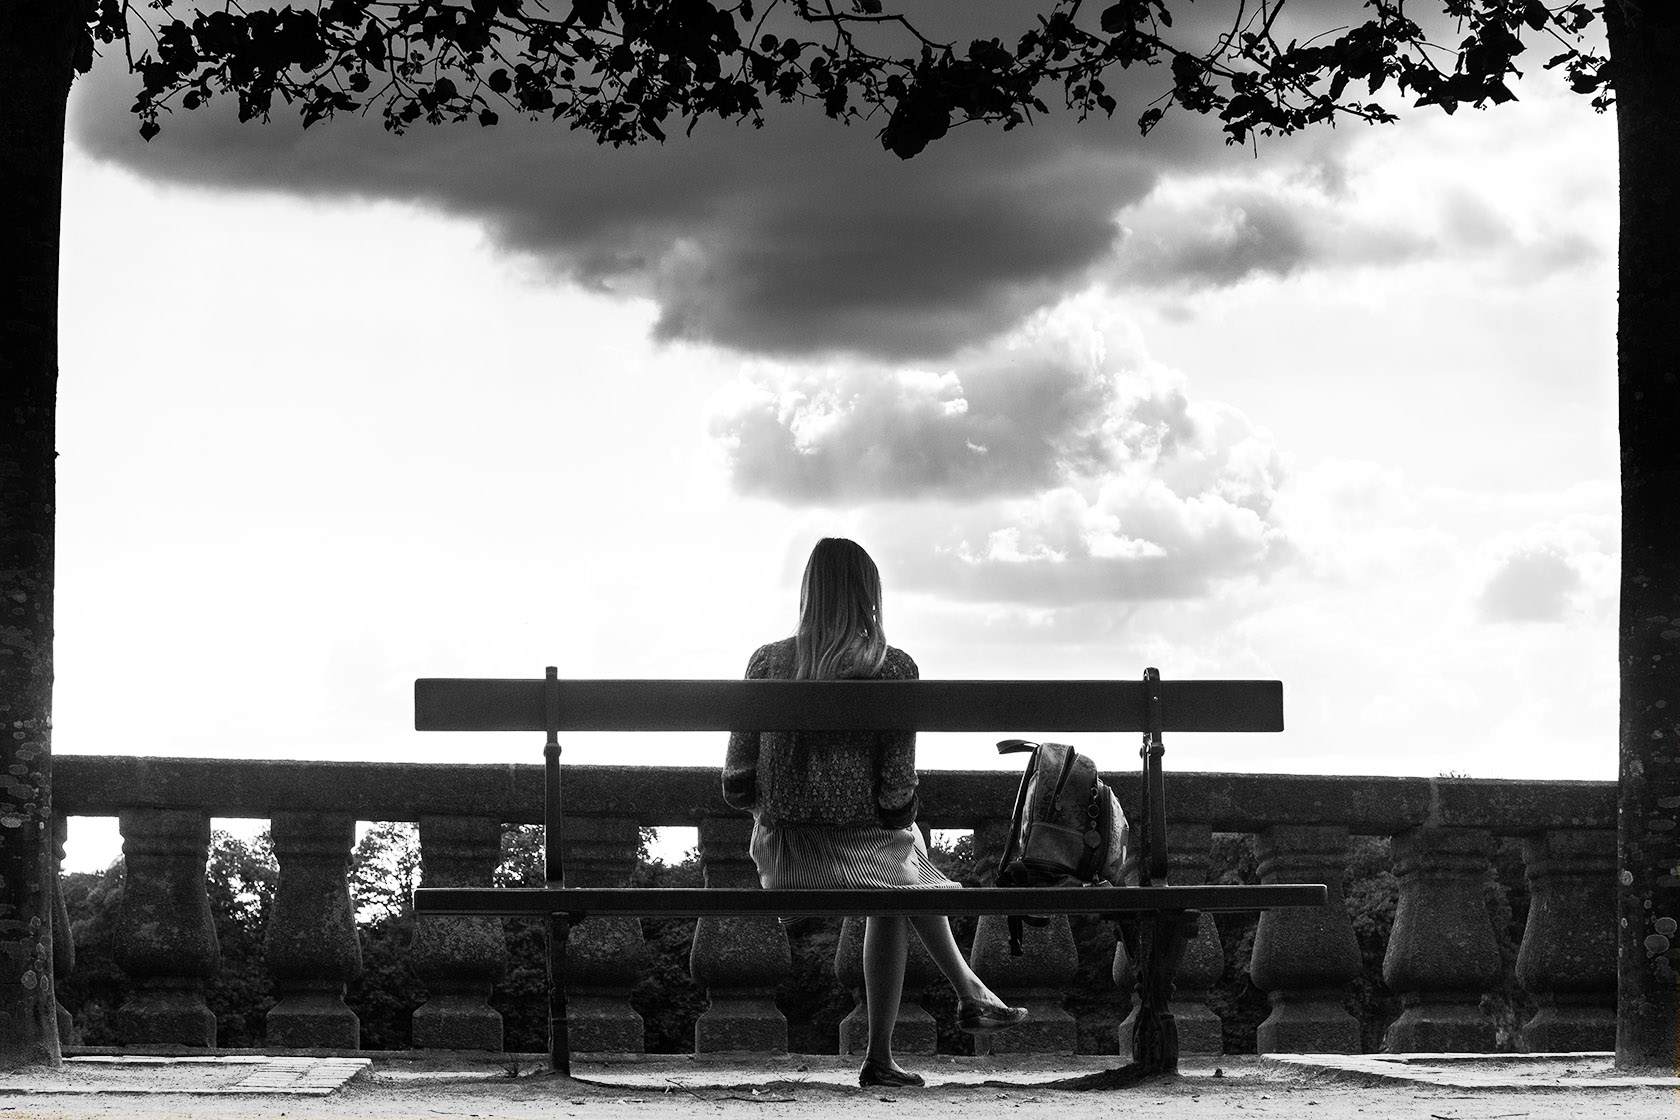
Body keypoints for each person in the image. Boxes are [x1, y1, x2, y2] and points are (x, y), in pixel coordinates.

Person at [721, 537, 1027, 1089]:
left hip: (784, 855)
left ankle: (954, 1004)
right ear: (869, 595)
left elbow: (737, 784)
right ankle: (938, 1013)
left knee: (896, 876)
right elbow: (894, 798)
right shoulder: (893, 668)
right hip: (869, 854)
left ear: (809, 591)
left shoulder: (766, 662)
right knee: (901, 860)